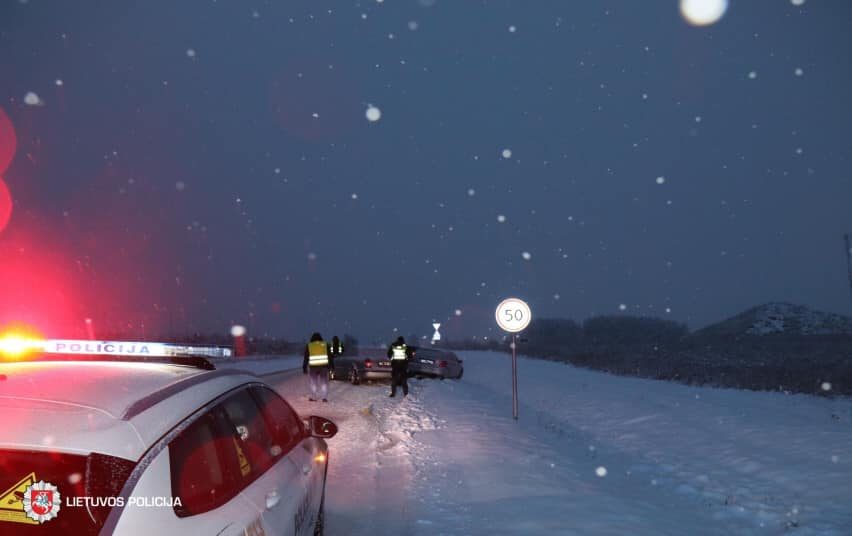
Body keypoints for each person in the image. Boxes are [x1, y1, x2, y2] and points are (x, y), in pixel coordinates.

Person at [303, 332, 330, 402]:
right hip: (323, 366)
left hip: (313, 367)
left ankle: (314, 397)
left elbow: (306, 357)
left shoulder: (309, 345)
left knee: (313, 383)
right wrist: (331, 366)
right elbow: (330, 356)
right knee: (324, 382)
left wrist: (304, 367)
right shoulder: (325, 345)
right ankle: (324, 397)